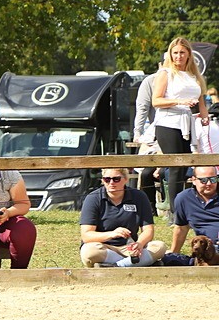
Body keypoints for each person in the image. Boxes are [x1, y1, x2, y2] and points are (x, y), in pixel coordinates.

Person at [151, 37, 208, 207]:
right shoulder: (166, 73)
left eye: (182, 52)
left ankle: (185, 206)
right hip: (168, 123)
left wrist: (205, 117)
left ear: (189, 54)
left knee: (185, 166)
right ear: (170, 54)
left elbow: (201, 102)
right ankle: (175, 210)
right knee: (176, 166)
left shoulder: (194, 76)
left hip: (188, 123)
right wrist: (180, 102)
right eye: (175, 53)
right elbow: (156, 101)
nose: (178, 56)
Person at [79, 168, 166, 267]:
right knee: (89, 251)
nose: (111, 182)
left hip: (130, 248)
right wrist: (112, 234)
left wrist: (139, 244)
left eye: (116, 179)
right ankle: (136, 263)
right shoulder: (93, 198)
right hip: (104, 248)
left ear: (125, 179)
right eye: (107, 179)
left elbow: (148, 230)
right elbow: (86, 236)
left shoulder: (139, 196)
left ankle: (115, 266)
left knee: (159, 247)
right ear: (103, 180)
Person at [169, 165, 219, 253]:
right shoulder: (184, 198)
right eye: (203, 180)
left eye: (213, 179)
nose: (208, 184)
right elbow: (181, 228)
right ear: (194, 180)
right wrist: (173, 254)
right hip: (205, 249)